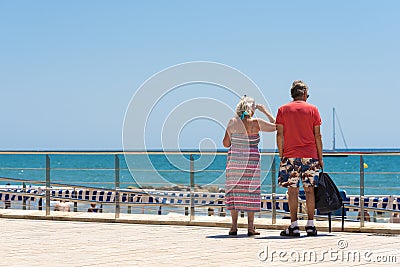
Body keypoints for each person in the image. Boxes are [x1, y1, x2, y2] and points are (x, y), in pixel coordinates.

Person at [223, 95, 276, 236]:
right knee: (251, 193)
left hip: (234, 164)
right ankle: (250, 227)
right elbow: (276, 126)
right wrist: (265, 111)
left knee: (235, 193)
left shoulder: (232, 122)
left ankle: (234, 227)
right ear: (251, 109)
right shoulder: (256, 123)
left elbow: (226, 144)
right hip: (251, 164)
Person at [276, 80, 323, 237]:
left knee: (292, 191)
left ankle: (294, 225)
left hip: (289, 155)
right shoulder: (313, 109)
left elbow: (280, 134)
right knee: (310, 191)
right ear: (303, 94)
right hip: (310, 155)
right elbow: (317, 135)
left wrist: (282, 154)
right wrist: (320, 157)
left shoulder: (282, 110)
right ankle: (310, 225)